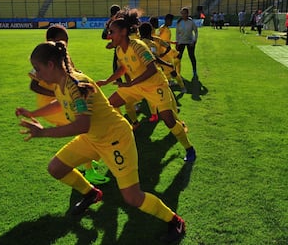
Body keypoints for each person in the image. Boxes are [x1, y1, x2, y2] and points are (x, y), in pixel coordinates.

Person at [17, 41, 186, 242]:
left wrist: (43, 133)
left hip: (115, 139)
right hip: (93, 138)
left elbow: (82, 125)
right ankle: (91, 194)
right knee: (56, 168)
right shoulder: (61, 84)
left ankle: (175, 221)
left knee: (133, 198)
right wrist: (33, 113)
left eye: (38, 68)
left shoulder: (76, 85)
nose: (36, 73)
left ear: (51, 65)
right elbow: (60, 103)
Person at [96, 16, 196, 163]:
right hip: (137, 86)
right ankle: (123, 133)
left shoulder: (138, 45)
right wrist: (107, 81)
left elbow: (152, 69)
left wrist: (130, 84)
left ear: (123, 32)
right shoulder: (119, 50)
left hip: (156, 86)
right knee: (109, 105)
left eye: (112, 31)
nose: (109, 35)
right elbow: (123, 68)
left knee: (169, 120)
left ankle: (189, 149)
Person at [28, 25, 110, 185]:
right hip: (53, 101)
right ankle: (89, 171)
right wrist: (60, 93)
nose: (64, 45)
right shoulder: (44, 59)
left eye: (66, 41)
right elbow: (34, 85)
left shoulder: (60, 55)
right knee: (82, 126)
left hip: (64, 97)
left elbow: (71, 72)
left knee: (84, 125)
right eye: (61, 41)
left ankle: (87, 158)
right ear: (50, 41)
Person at [176, 7, 198, 80]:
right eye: (182, 13)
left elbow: (196, 31)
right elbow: (177, 33)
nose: (183, 15)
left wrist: (194, 41)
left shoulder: (191, 22)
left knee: (192, 56)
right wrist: (177, 42)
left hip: (190, 42)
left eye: (184, 13)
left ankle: (194, 71)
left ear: (187, 14)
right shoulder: (179, 22)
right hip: (181, 42)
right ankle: (177, 72)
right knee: (178, 57)